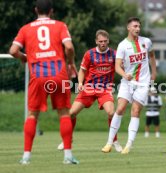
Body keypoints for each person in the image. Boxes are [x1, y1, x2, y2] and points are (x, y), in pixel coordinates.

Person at [9, 0, 79, 164]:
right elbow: (69, 47)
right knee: (63, 113)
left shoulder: (26, 28)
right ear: (51, 11)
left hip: (38, 75)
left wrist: (24, 58)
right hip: (58, 74)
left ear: (35, 10)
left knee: (33, 115)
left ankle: (26, 157)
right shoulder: (60, 25)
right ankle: (68, 156)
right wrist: (70, 63)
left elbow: (13, 50)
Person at [57, 29, 122, 152]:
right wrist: (80, 83)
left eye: (105, 41)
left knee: (111, 113)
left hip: (105, 89)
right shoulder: (89, 54)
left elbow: (120, 67)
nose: (103, 43)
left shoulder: (114, 54)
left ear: (108, 41)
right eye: (100, 41)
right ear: (96, 41)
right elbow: (82, 70)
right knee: (71, 114)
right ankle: (68, 139)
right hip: (89, 88)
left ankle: (114, 141)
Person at [101, 17, 157, 154]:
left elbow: (152, 57)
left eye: (139, 26)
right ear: (128, 28)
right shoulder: (122, 45)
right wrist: (125, 75)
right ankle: (109, 143)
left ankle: (128, 144)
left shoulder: (146, 42)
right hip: (127, 82)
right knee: (119, 109)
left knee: (136, 111)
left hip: (143, 83)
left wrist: (154, 74)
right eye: (135, 26)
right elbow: (117, 66)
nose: (138, 28)